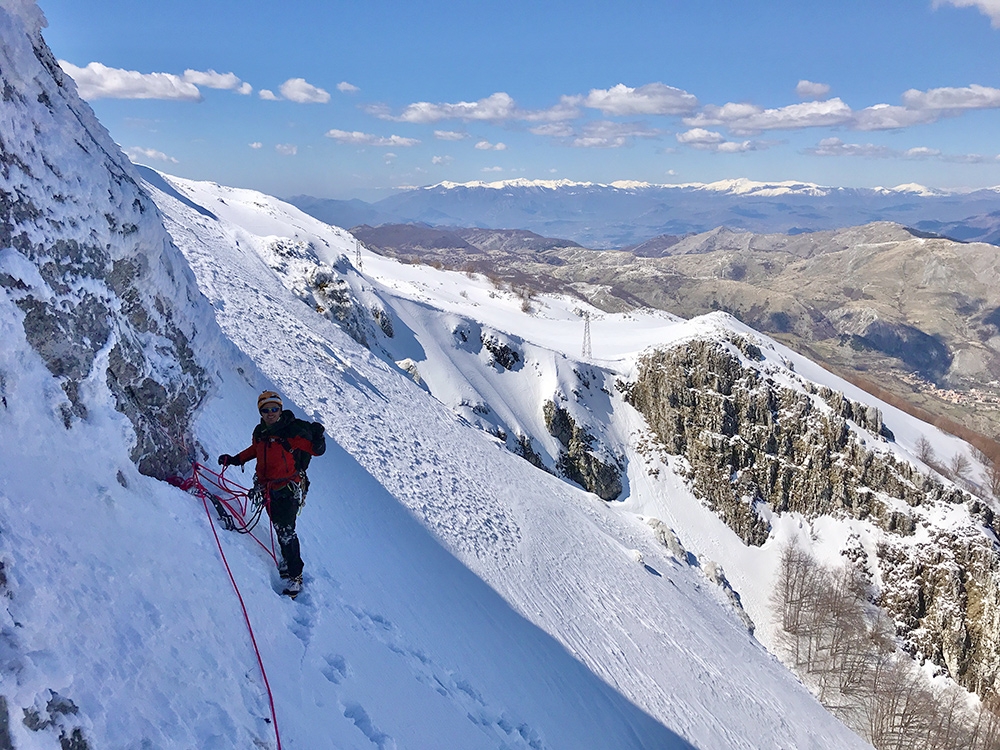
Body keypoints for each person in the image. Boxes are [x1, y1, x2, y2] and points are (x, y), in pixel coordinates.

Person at [218, 391, 324, 598]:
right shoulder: (260, 432)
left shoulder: (291, 432)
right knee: (279, 525)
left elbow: (316, 450)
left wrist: (319, 436)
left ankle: (295, 575)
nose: (270, 413)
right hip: (267, 488)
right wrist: (234, 460)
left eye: (274, 409)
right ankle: (287, 559)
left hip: (287, 489)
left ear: (280, 409)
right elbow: (254, 451)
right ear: (261, 411)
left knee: (286, 531)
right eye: (266, 410)